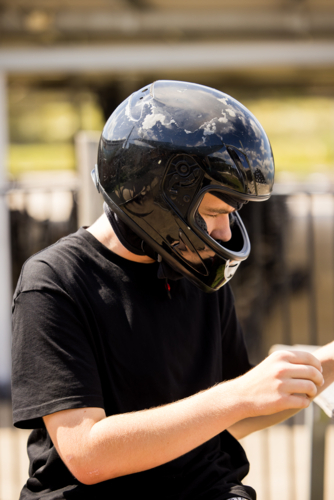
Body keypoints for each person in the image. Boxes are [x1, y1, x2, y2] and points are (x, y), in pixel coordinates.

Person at [11, 80, 334, 500]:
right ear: (158, 199)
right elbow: (87, 454)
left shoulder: (197, 268)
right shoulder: (53, 282)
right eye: (214, 213)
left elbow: (228, 418)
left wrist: (320, 367)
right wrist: (238, 395)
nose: (225, 232)